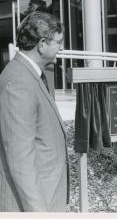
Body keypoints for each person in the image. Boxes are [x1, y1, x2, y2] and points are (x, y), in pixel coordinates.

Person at [0, 11, 69, 212]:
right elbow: (21, 163)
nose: (61, 47)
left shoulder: (30, 75)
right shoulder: (18, 83)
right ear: (41, 44)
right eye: (58, 41)